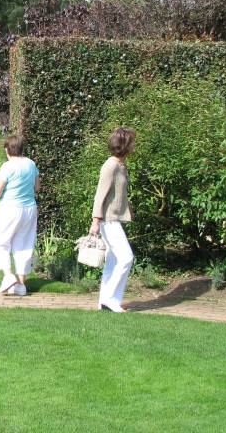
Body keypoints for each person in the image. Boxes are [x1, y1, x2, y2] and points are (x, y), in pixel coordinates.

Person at [91, 127, 136, 313]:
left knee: (112, 260)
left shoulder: (121, 165)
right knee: (126, 257)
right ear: (124, 145)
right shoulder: (110, 165)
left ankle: (105, 301)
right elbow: (100, 195)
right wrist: (95, 220)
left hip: (113, 220)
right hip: (108, 221)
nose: (134, 145)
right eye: (132, 142)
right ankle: (110, 299)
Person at [0, 135, 40, 297]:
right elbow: (37, 187)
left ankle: (8, 275)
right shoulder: (31, 164)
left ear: (7, 150)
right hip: (29, 209)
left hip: (10, 208)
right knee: (24, 245)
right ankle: (21, 285)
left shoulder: (7, 166)